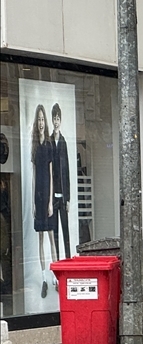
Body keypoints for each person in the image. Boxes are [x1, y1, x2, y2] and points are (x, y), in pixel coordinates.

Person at [31, 104, 57, 298]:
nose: (41, 123)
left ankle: (55, 277)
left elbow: (50, 174)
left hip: (46, 195)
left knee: (51, 237)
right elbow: (33, 175)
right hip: (37, 196)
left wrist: (49, 201)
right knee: (40, 237)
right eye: (38, 119)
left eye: (42, 119)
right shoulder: (34, 146)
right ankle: (44, 279)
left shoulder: (48, 145)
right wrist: (33, 202)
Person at [50, 103, 72, 259]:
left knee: (65, 231)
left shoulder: (63, 142)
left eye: (58, 118)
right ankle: (57, 260)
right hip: (53, 197)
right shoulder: (49, 141)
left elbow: (67, 172)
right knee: (55, 233)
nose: (56, 121)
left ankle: (68, 259)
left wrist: (68, 198)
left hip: (63, 196)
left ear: (60, 120)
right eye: (54, 118)